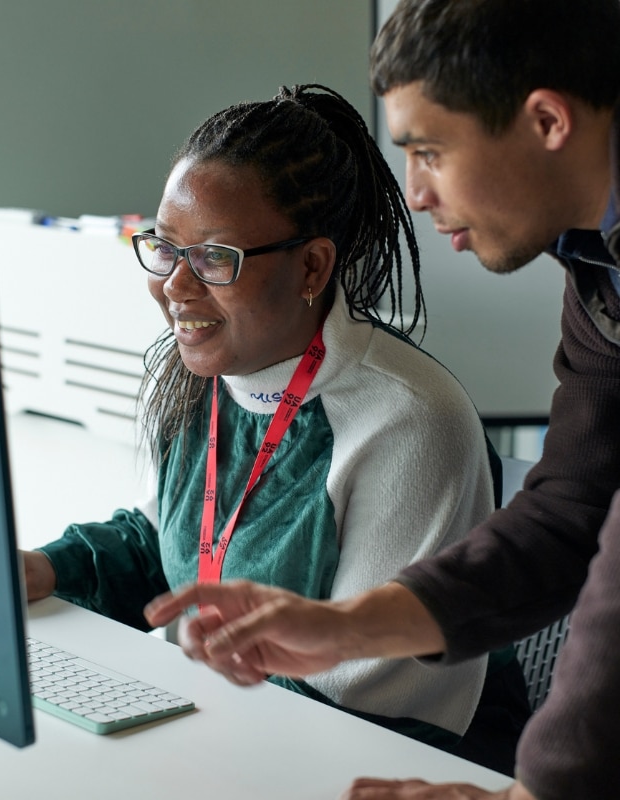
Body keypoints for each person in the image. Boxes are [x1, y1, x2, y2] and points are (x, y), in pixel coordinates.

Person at [144, 2, 620, 798]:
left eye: (430, 151)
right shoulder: (597, 263)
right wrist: (345, 628)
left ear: (545, 121)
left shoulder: (407, 406)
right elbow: (574, 507)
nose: (416, 193)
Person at [22, 83, 531, 772]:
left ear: (312, 267)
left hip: (397, 769)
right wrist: (43, 568)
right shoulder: (208, 371)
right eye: (165, 248)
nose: (175, 284)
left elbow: (362, 700)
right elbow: (162, 548)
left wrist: (176, 730)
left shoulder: (409, 420)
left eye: (213, 258)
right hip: (233, 739)